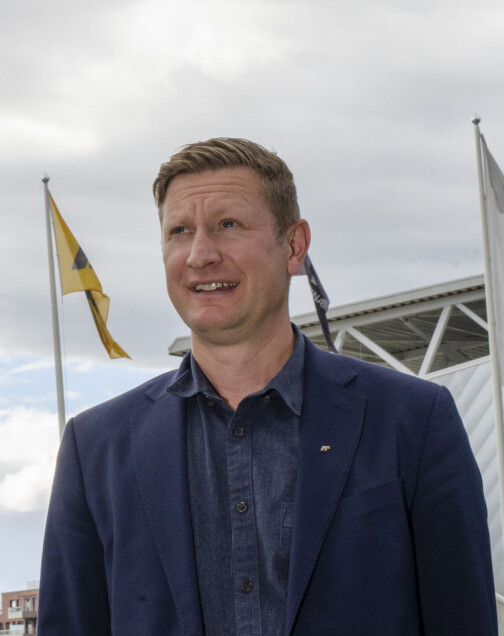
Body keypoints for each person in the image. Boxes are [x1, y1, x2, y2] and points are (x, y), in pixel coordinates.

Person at [37, 138, 497, 635]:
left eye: (228, 225)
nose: (200, 255)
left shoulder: (414, 420)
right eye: (179, 231)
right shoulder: (96, 449)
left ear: (294, 246)